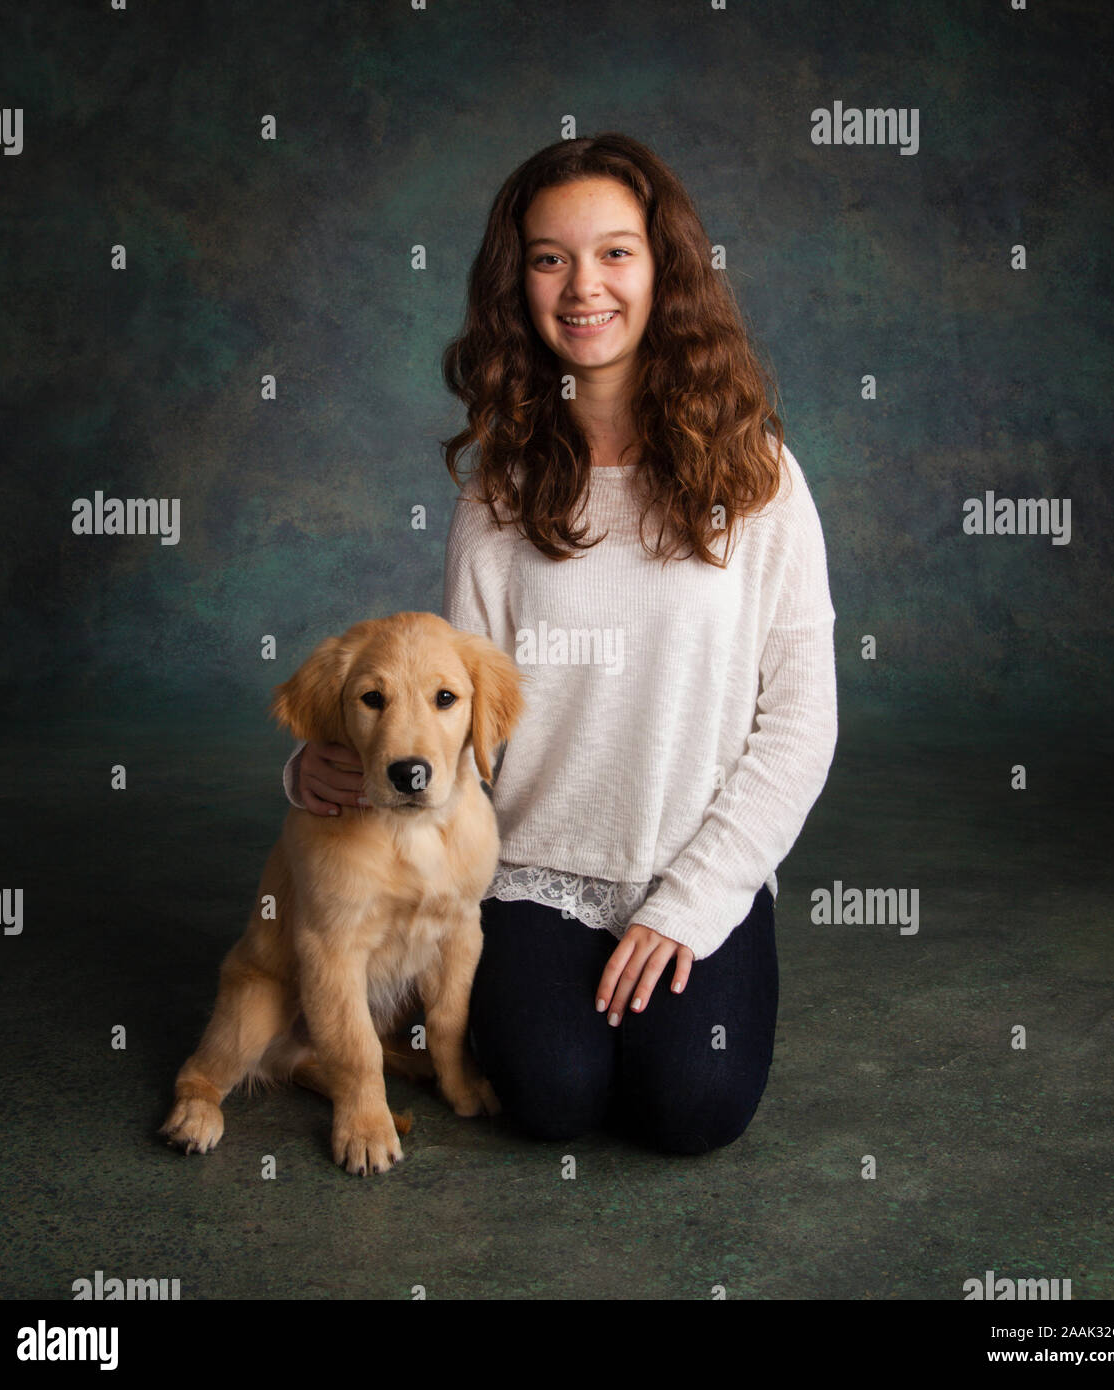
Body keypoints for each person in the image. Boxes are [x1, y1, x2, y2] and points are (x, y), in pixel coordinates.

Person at [282, 132, 837, 1156]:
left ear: (663, 270)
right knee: (550, 1096)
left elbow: (800, 723)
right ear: (519, 283)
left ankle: (683, 975)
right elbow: (458, 709)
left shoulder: (757, 475)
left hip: (696, 860)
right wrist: (333, 757)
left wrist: (691, 904)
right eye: (549, 258)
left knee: (692, 1107)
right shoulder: (497, 489)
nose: (584, 286)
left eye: (615, 252)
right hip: (535, 867)